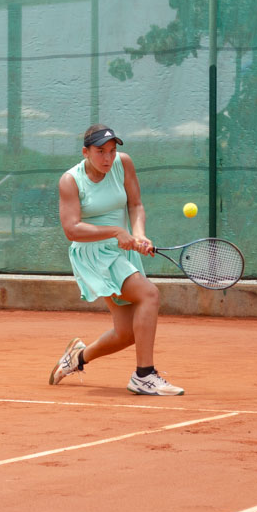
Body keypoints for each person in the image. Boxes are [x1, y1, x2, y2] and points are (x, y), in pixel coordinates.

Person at [48, 124, 184, 396]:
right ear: (85, 152)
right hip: (94, 254)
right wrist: (115, 232)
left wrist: (139, 234)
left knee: (126, 333)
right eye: (100, 151)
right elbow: (71, 229)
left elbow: (135, 204)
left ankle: (77, 357)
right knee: (149, 295)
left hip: (122, 250)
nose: (108, 158)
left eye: (111, 151)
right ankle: (144, 375)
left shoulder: (123, 164)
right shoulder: (70, 181)